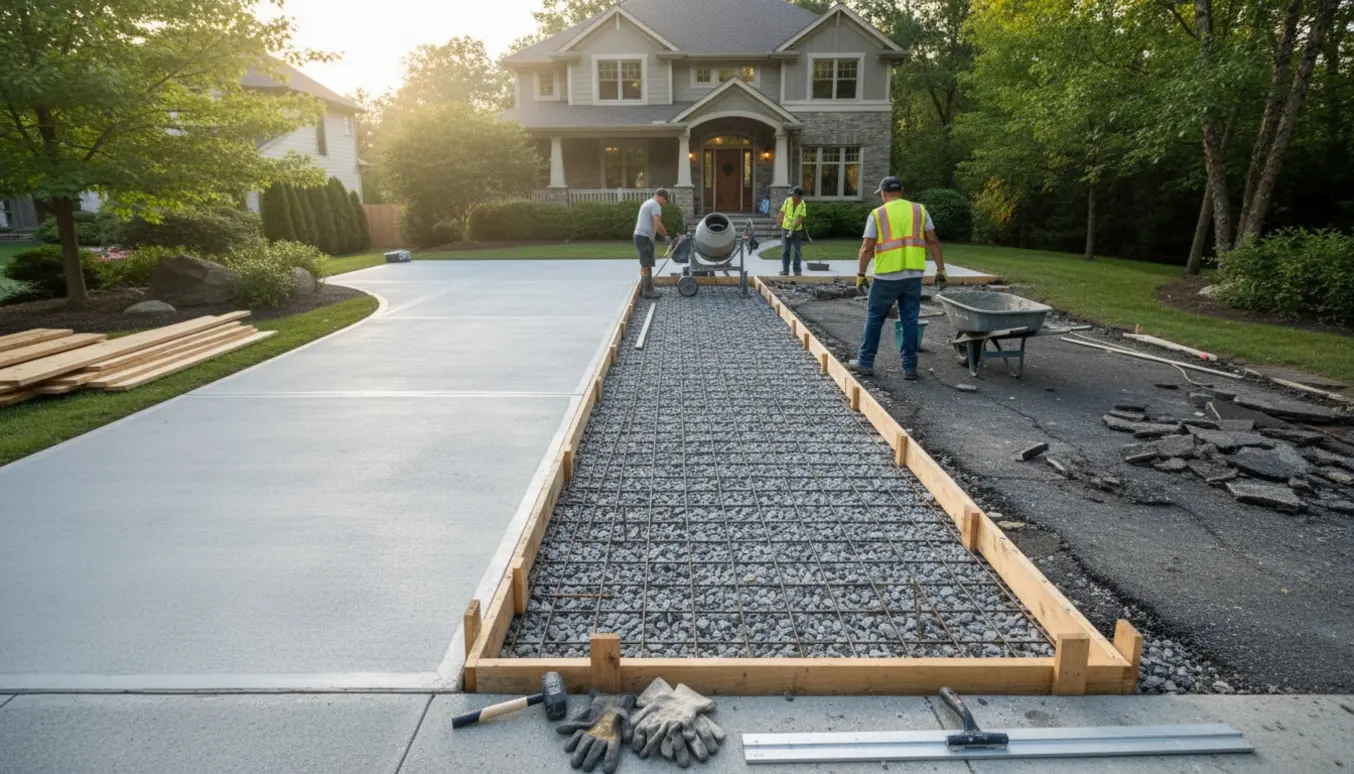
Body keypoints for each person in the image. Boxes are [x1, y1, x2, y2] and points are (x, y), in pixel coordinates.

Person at [848, 176, 948, 381]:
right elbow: (934, 242)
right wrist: (940, 269)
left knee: (875, 318)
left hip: (886, 276)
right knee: (909, 320)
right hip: (913, 276)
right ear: (901, 192)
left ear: (884, 194)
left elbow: (866, 248)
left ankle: (865, 363)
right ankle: (910, 367)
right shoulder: (919, 210)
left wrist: (860, 275)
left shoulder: (878, 214)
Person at [633, 188, 669, 299]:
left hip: (641, 236)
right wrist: (666, 236)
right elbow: (657, 224)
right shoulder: (655, 205)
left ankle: (645, 288)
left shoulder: (648, 203)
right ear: (661, 197)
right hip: (644, 238)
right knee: (646, 264)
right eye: (665, 200)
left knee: (645, 264)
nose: (664, 203)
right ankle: (647, 291)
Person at [777, 186, 807, 276]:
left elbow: (800, 219)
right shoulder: (787, 201)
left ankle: (797, 271)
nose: (794, 198)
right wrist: (780, 222)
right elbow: (782, 212)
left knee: (797, 251)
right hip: (785, 230)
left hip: (796, 231)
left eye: (796, 196)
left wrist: (792, 229)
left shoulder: (802, 204)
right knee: (785, 250)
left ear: (800, 197)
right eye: (793, 196)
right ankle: (785, 270)